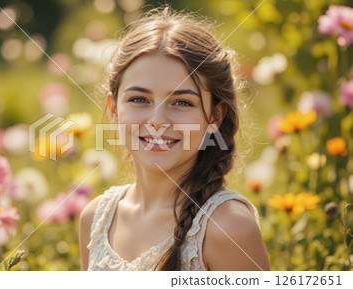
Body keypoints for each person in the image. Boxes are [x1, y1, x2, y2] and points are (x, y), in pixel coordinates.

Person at [79, 6, 270, 271]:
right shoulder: (95, 220)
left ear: (215, 115)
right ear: (113, 109)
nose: (157, 120)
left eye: (181, 102)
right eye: (139, 99)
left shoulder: (229, 227)